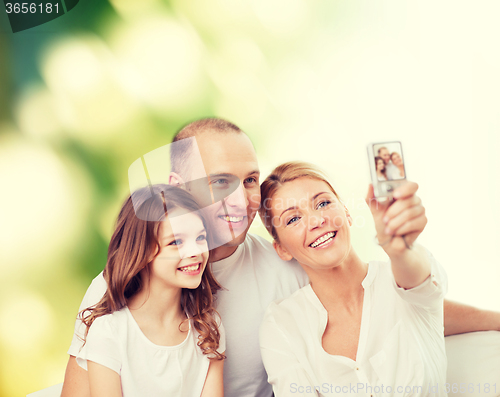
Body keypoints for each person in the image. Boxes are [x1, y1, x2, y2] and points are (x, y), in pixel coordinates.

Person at [62, 118, 500, 397]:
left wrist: (490, 317)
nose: (240, 199)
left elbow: (392, 305)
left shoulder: (288, 266)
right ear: (177, 184)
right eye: (219, 182)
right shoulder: (124, 281)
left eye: (250, 179)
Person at [259, 162, 447, 396]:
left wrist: (399, 248)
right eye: (293, 219)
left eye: (323, 203)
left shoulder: (401, 280)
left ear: (346, 212)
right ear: (282, 250)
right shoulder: (282, 324)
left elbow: (420, 281)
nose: (317, 221)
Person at [75, 184, 225, 397]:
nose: (196, 251)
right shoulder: (110, 332)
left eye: (200, 237)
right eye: (176, 242)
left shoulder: (208, 328)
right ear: (142, 251)